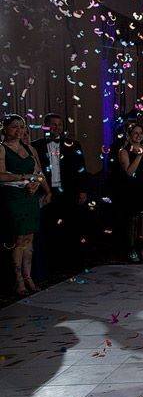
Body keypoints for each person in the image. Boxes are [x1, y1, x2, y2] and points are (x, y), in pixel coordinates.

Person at [32, 113, 88, 274]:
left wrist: (83, 190)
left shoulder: (74, 144)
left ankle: (71, 264)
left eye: (59, 125)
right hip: (47, 193)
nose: (57, 128)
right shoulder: (35, 146)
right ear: (45, 126)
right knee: (48, 229)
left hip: (69, 192)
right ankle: (50, 266)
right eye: (53, 124)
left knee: (70, 228)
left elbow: (81, 169)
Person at [0, 115, 51, 295]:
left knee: (30, 239)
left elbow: (38, 172)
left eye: (21, 127)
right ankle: (18, 280)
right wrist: (23, 178)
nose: (19, 130)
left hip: (30, 196)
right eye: (14, 127)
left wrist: (40, 186)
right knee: (19, 239)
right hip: (14, 196)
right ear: (5, 128)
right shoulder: (2, 149)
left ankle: (29, 277)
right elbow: (1, 175)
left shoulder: (30, 149)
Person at [117, 123, 143, 263]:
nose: (139, 136)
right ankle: (131, 249)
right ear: (129, 135)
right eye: (135, 133)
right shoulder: (124, 151)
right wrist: (138, 157)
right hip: (131, 190)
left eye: (141, 133)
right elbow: (129, 172)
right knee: (133, 220)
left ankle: (142, 248)